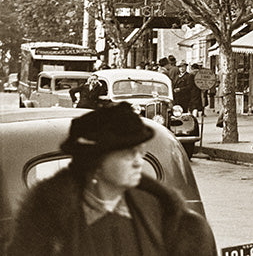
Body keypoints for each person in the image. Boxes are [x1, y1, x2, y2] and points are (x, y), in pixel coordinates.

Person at [9, 102, 217, 255]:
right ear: (96, 160)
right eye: (128, 153)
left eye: (140, 151)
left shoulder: (156, 209)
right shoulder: (49, 216)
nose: (138, 161)